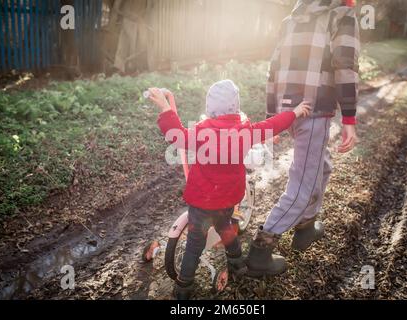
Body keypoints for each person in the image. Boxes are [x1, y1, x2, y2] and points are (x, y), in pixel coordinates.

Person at [148, 80, 311, 299]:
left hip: (201, 202)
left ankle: (184, 286)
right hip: (226, 201)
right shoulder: (245, 131)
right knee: (227, 228)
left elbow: (176, 135)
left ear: (210, 108)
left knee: (194, 245)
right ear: (236, 107)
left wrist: (166, 109)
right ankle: (237, 264)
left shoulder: (201, 132)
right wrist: (295, 112)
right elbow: (272, 125)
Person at [245, 0, 360, 278]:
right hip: (315, 110)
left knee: (322, 165)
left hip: (290, 109)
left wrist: (274, 113)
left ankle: (306, 227)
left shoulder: (291, 19)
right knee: (303, 186)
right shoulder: (342, 15)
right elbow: (346, 66)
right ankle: (261, 250)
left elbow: (272, 68)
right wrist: (349, 119)